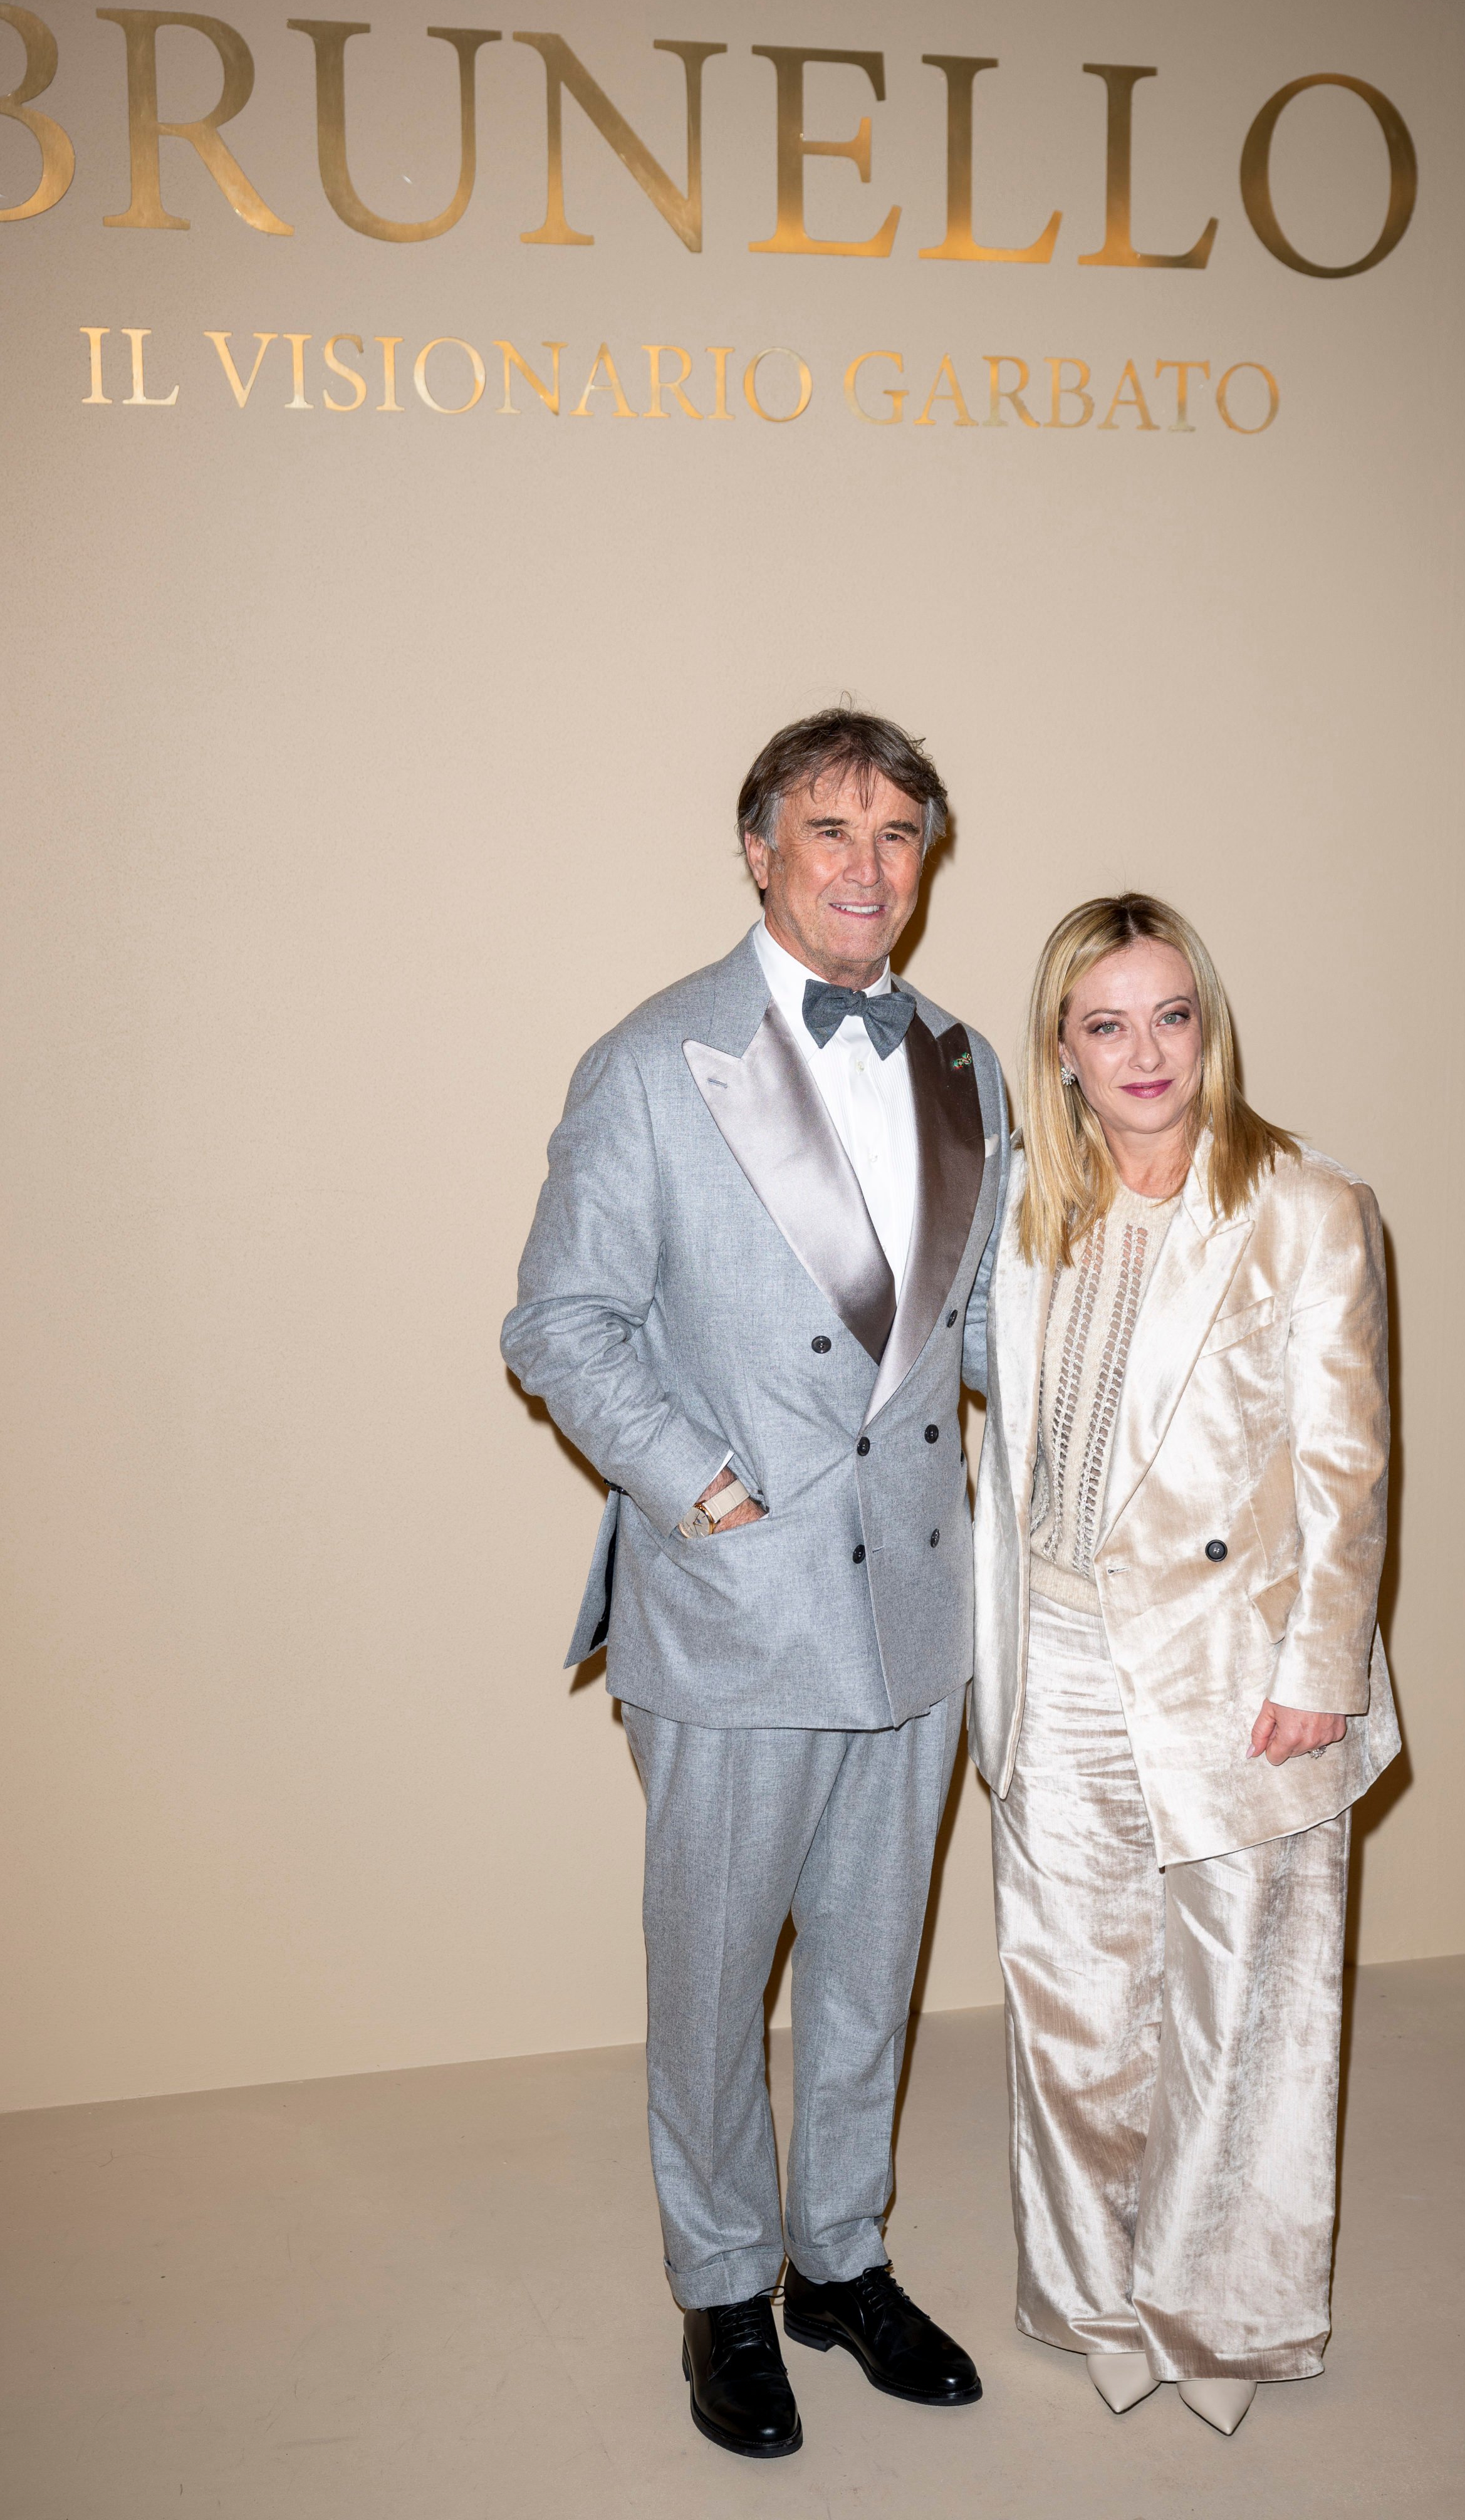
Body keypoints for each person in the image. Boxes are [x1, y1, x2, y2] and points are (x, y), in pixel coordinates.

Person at [503, 709, 1007, 2458]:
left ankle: (838, 2256)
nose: (866, 867)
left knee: (872, 1961)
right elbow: (558, 1322)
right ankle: (721, 2288)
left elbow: (986, 1328)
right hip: (738, 1606)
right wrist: (699, 1487)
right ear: (757, 849)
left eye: (896, 833)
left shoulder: (963, 1061)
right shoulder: (653, 1060)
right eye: (829, 831)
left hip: (919, 1606)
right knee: (715, 1974)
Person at [969, 892, 1399, 2437]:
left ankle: (1225, 2311)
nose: (1144, 1051)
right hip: (1058, 1653)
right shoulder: (1030, 1207)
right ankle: (1094, 2293)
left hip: (1244, 1665)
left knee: (1247, 2006)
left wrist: (1323, 1667)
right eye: (1106, 1022)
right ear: (1062, 1050)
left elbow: (1350, 1468)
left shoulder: (1304, 1204)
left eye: (1172, 1015)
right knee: (1074, 1997)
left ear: (1208, 1027)